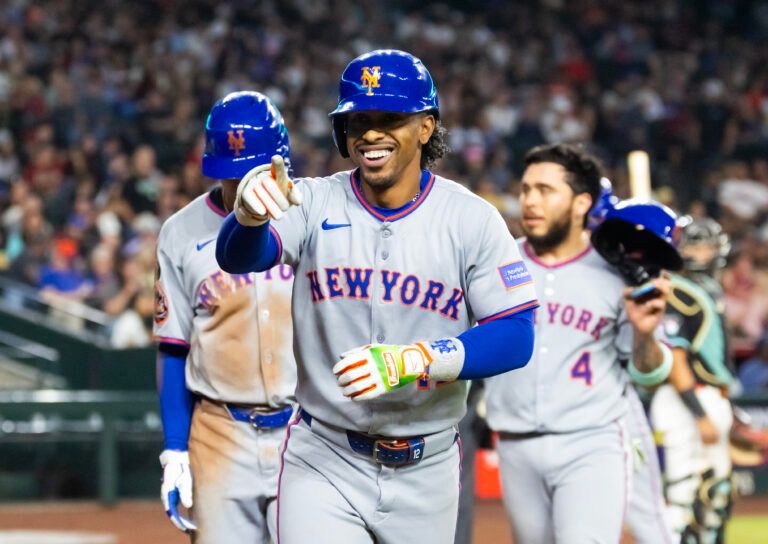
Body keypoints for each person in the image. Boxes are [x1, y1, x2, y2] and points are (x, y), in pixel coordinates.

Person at [215, 49, 538, 544]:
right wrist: (247, 220)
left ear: (426, 127)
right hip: (323, 458)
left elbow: (516, 335)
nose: (370, 133)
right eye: (358, 120)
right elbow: (240, 257)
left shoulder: (471, 219)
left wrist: (418, 358)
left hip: (426, 466)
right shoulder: (312, 199)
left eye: (389, 118)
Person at [484, 143, 675, 544]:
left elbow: (651, 372)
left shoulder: (619, 270)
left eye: (546, 190)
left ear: (581, 202)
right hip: (514, 446)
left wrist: (643, 333)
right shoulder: (495, 265)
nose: (530, 201)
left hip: (591, 443)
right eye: (526, 189)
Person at [154, 91, 297, 543]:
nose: (240, 182)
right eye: (230, 172)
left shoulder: (310, 215)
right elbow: (173, 348)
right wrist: (176, 448)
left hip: (308, 432)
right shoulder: (179, 232)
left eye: (251, 170)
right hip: (220, 433)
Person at [650, 216, 735, 543]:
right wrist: (700, 413)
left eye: (707, 246)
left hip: (707, 395)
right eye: (697, 245)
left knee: (715, 495)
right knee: (683, 498)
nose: (703, 253)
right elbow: (678, 359)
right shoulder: (677, 291)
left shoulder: (706, 290)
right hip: (683, 398)